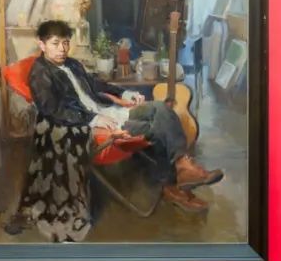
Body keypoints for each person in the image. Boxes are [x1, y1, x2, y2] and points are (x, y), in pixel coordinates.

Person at [23, 20, 222, 216]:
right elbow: (53, 110)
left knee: (160, 108)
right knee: (157, 128)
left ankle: (182, 166)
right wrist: (92, 119)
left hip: (109, 112)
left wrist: (125, 93)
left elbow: (97, 84)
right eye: (55, 43)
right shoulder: (40, 74)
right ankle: (174, 185)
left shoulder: (72, 64)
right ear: (42, 44)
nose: (62, 49)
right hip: (92, 126)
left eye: (66, 43)